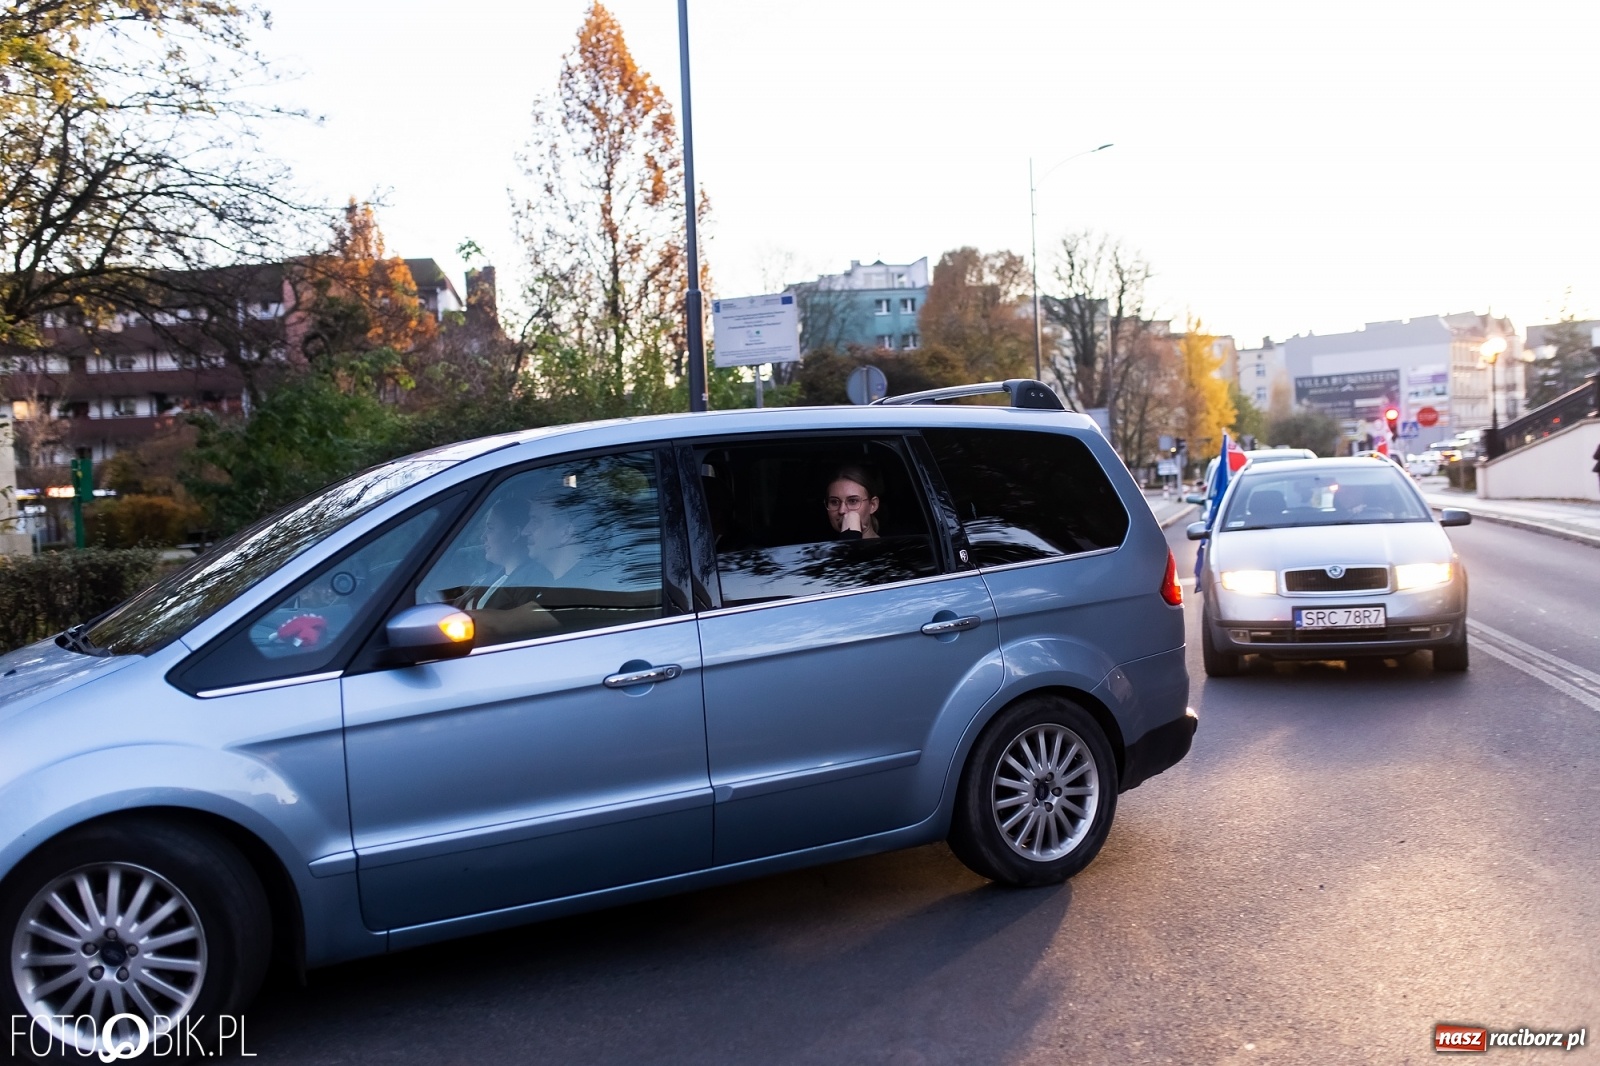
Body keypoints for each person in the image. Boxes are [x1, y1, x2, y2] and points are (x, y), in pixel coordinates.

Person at [825, 465, 882, 540]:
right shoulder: (822, 550)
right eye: (834, 502)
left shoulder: (891, 549)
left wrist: (850, 535)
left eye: (853, 501)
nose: (842, 510)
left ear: (873, 505)